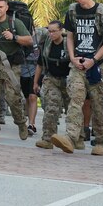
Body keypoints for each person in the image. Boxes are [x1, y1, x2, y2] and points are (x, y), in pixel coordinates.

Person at [50, 0, 103, 156]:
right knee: (75, 99)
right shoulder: (72, 11)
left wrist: (93, 60)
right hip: (77, 63)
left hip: (97, 65)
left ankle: (101, 141)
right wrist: (72, 56)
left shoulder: (102, 12)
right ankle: (71, 137)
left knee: (98, 103)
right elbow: (69, 37)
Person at [0, 0, 31, 141]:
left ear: (6, 8)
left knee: (13, 98)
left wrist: (14, 37)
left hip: (11, 65)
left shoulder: (14, 22)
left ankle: (22, 124)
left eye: (1, 7)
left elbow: (29, 40)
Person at [33, 20, 69, 149]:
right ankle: (48, 138)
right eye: (49, 31)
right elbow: (40, 64)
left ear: (61, 31)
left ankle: (75, 138)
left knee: (72, 111)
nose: (51, 34)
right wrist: (35, 82)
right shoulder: (47, 44)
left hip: (68, 80)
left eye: (54, 31)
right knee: (51, 109)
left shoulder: (68, 44)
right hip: (52, 79)